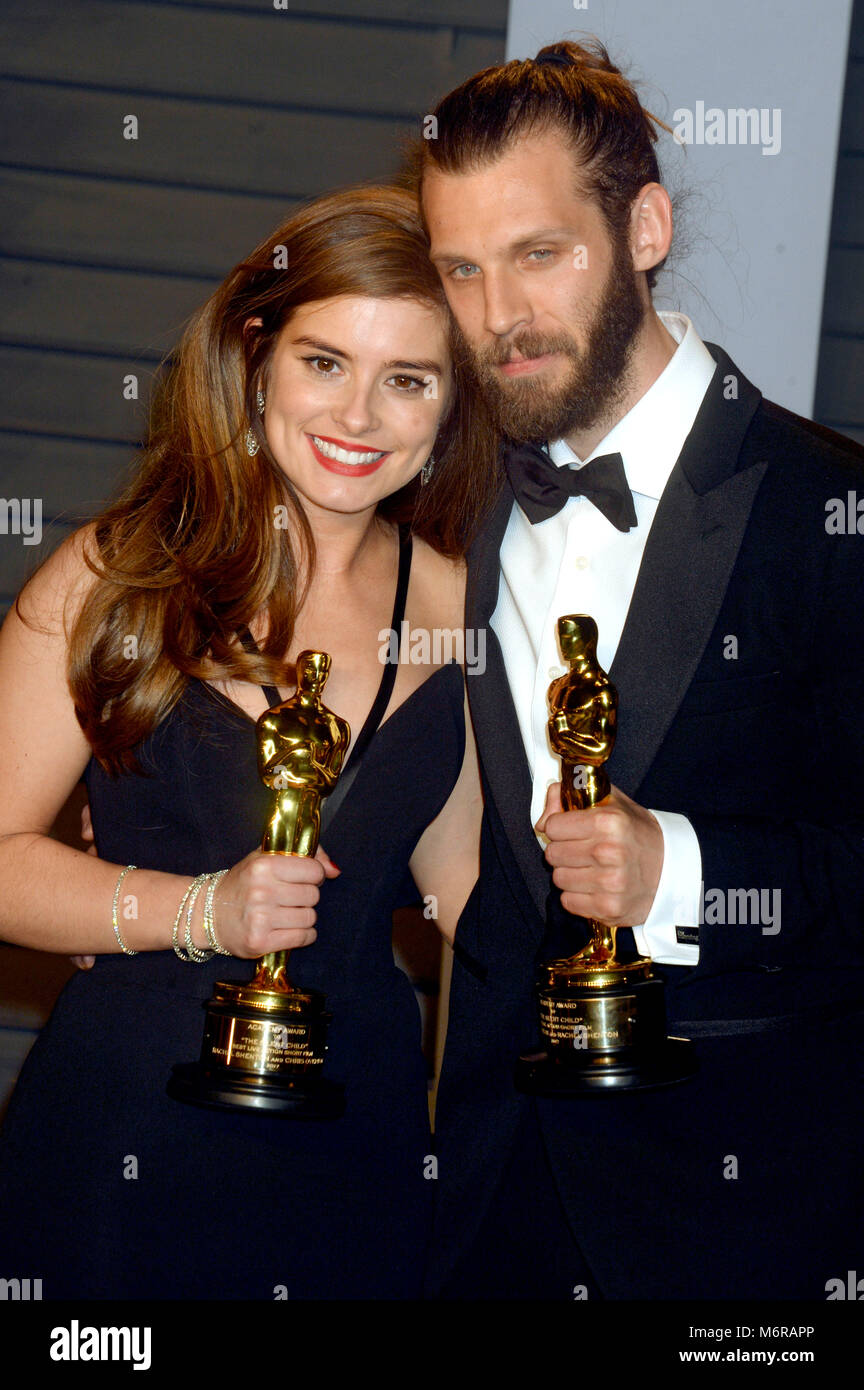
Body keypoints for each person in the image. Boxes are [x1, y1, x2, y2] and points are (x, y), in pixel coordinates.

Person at [415, 40, 864, 1299]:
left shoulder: (833, 511)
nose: (499, 314)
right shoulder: (451, 497)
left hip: (741, 1224)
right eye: (462, 269)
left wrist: (686, 873)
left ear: (646, 227)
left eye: (540, 253)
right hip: (493, 1209)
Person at [0, 185, 495, 1299]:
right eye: (326, 363)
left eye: (407, 379)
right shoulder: (114, 574)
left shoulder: (464, 609)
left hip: (356, 1160)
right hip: (116, 1150)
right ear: (257, 353)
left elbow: (464, 898)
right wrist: (200, 911)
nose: (359, 416)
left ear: (452, 405)